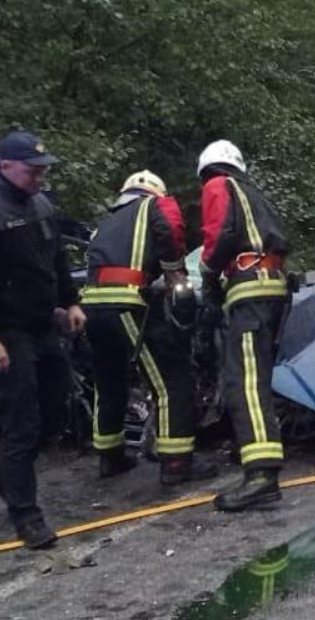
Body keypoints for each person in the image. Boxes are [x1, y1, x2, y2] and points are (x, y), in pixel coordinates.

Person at [0, 131, 85, 549]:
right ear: (5, 166)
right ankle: (26, 515)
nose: (39, 177)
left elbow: (56, 259)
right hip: (6, 331)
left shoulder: (41, 205)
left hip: (43, 324)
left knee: (57, 409)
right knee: (20, 422)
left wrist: (71, 302)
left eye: (42, 170)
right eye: (32, 170)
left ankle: (3, 476)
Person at [81, 171, 219, 485]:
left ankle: (110, 456)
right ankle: (176, 464)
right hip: (127, 302)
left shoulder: (106, 224)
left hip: (93, 306)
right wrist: (174, 273)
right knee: (171, 379)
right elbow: (169, 229)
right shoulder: (156, 206)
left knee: (109, 379)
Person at [197, 140, 291, 512]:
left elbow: (218, 234)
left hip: (250, 289)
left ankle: (262, 476)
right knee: (257, 378)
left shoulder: (218, 185)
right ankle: (251, 456)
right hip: (270, 285)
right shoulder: (254, 193)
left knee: (244, 382)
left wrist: (207, 276)